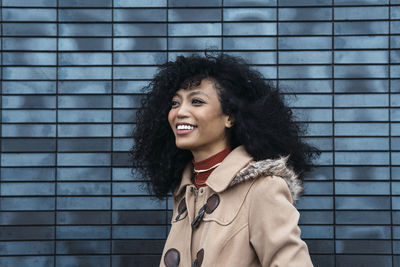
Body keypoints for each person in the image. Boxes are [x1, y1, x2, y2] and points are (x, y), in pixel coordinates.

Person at [130, 53, 319, 267]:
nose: (180, 112)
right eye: (175, 103)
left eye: (197, 101)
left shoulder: (262, 188)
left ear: (230, 117)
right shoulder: (186, 190)